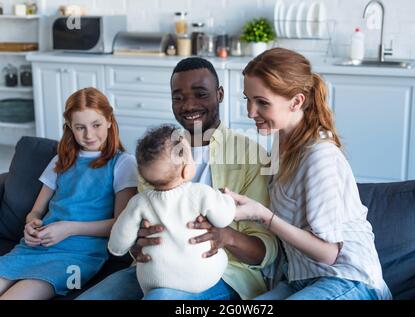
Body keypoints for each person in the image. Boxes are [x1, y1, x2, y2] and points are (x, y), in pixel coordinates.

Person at [77, 57, 278, 300]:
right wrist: (136, 244)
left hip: (223, 273)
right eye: (178, 97)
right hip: (154, 270)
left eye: (200, 94)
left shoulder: (251, 155)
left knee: (161, 297)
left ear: (220, 94)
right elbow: (133, 228)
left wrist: (225, 236)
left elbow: (266, 251)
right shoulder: (157, 154)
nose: (188, 105)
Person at [224, 47, 392, 300]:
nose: (250, 112)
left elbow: (329, 254)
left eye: (262, 102)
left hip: (349, 279)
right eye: (247, 99)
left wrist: (263, 215)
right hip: (300, 280)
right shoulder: (281, 142)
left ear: (297, 101)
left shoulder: (319, 155)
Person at [0, 87, 138, 299]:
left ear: (110, 121)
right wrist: (31, 224)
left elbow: (120, 225)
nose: (89, 134)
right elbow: (36, 211)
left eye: (96, 125)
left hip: (79, 256)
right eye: (80, 127)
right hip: (35, 247)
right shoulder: (60, 160)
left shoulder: (123, 164)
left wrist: (68, 229)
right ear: (70, 128)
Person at [108, 124, 236, 296]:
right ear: (186, 169)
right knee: (218, 260)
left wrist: (126, 245)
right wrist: (226, 198)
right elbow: (224, 218)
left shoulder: (139, 202)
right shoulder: (201, 192)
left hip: (153, 279)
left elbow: (117, 245)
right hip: (202, 275)